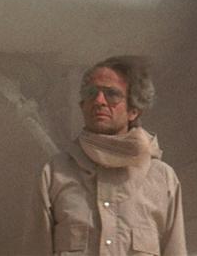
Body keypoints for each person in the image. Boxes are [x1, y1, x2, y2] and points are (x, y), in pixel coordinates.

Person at [30, 56, 186, 255]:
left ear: (133, 110)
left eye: (112, 94)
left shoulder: (163, 179)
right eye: (91, 93)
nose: (99, 101)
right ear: (82, 105)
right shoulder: (54, 174)